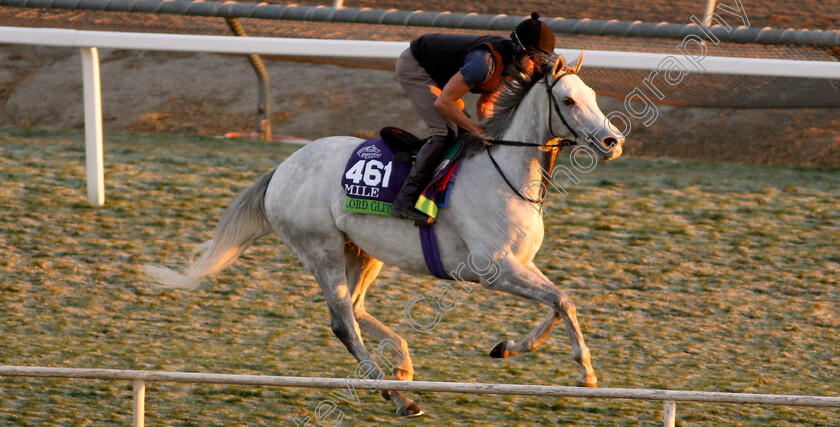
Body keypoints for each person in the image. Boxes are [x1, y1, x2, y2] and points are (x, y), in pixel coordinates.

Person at [390, 12, 557, 222]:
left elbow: (486, 104)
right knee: (446, 131)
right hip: (416, 65)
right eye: (536, 58)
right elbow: (443, 102)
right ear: (519, 49)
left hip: (440, 74)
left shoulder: (512, 66)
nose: (538, 65)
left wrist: (490, 132)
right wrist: (478, 131)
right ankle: (404, 202)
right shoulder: (485, 63)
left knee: (462, 131)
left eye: (543, 59)